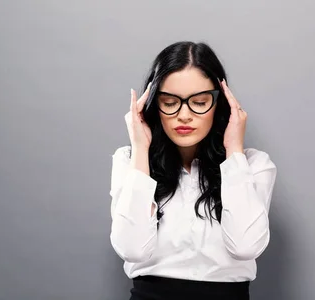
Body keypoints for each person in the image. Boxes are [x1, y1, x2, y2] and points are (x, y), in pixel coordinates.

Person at [109, 41, 278, 300]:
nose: (184, 115)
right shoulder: (130, 161)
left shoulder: (254, 166)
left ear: (219, 104)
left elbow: (245, 248)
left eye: (199, 102)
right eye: (169, 102)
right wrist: (140, 148)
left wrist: (234, 148)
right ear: (155, 105)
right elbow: (132, 249)